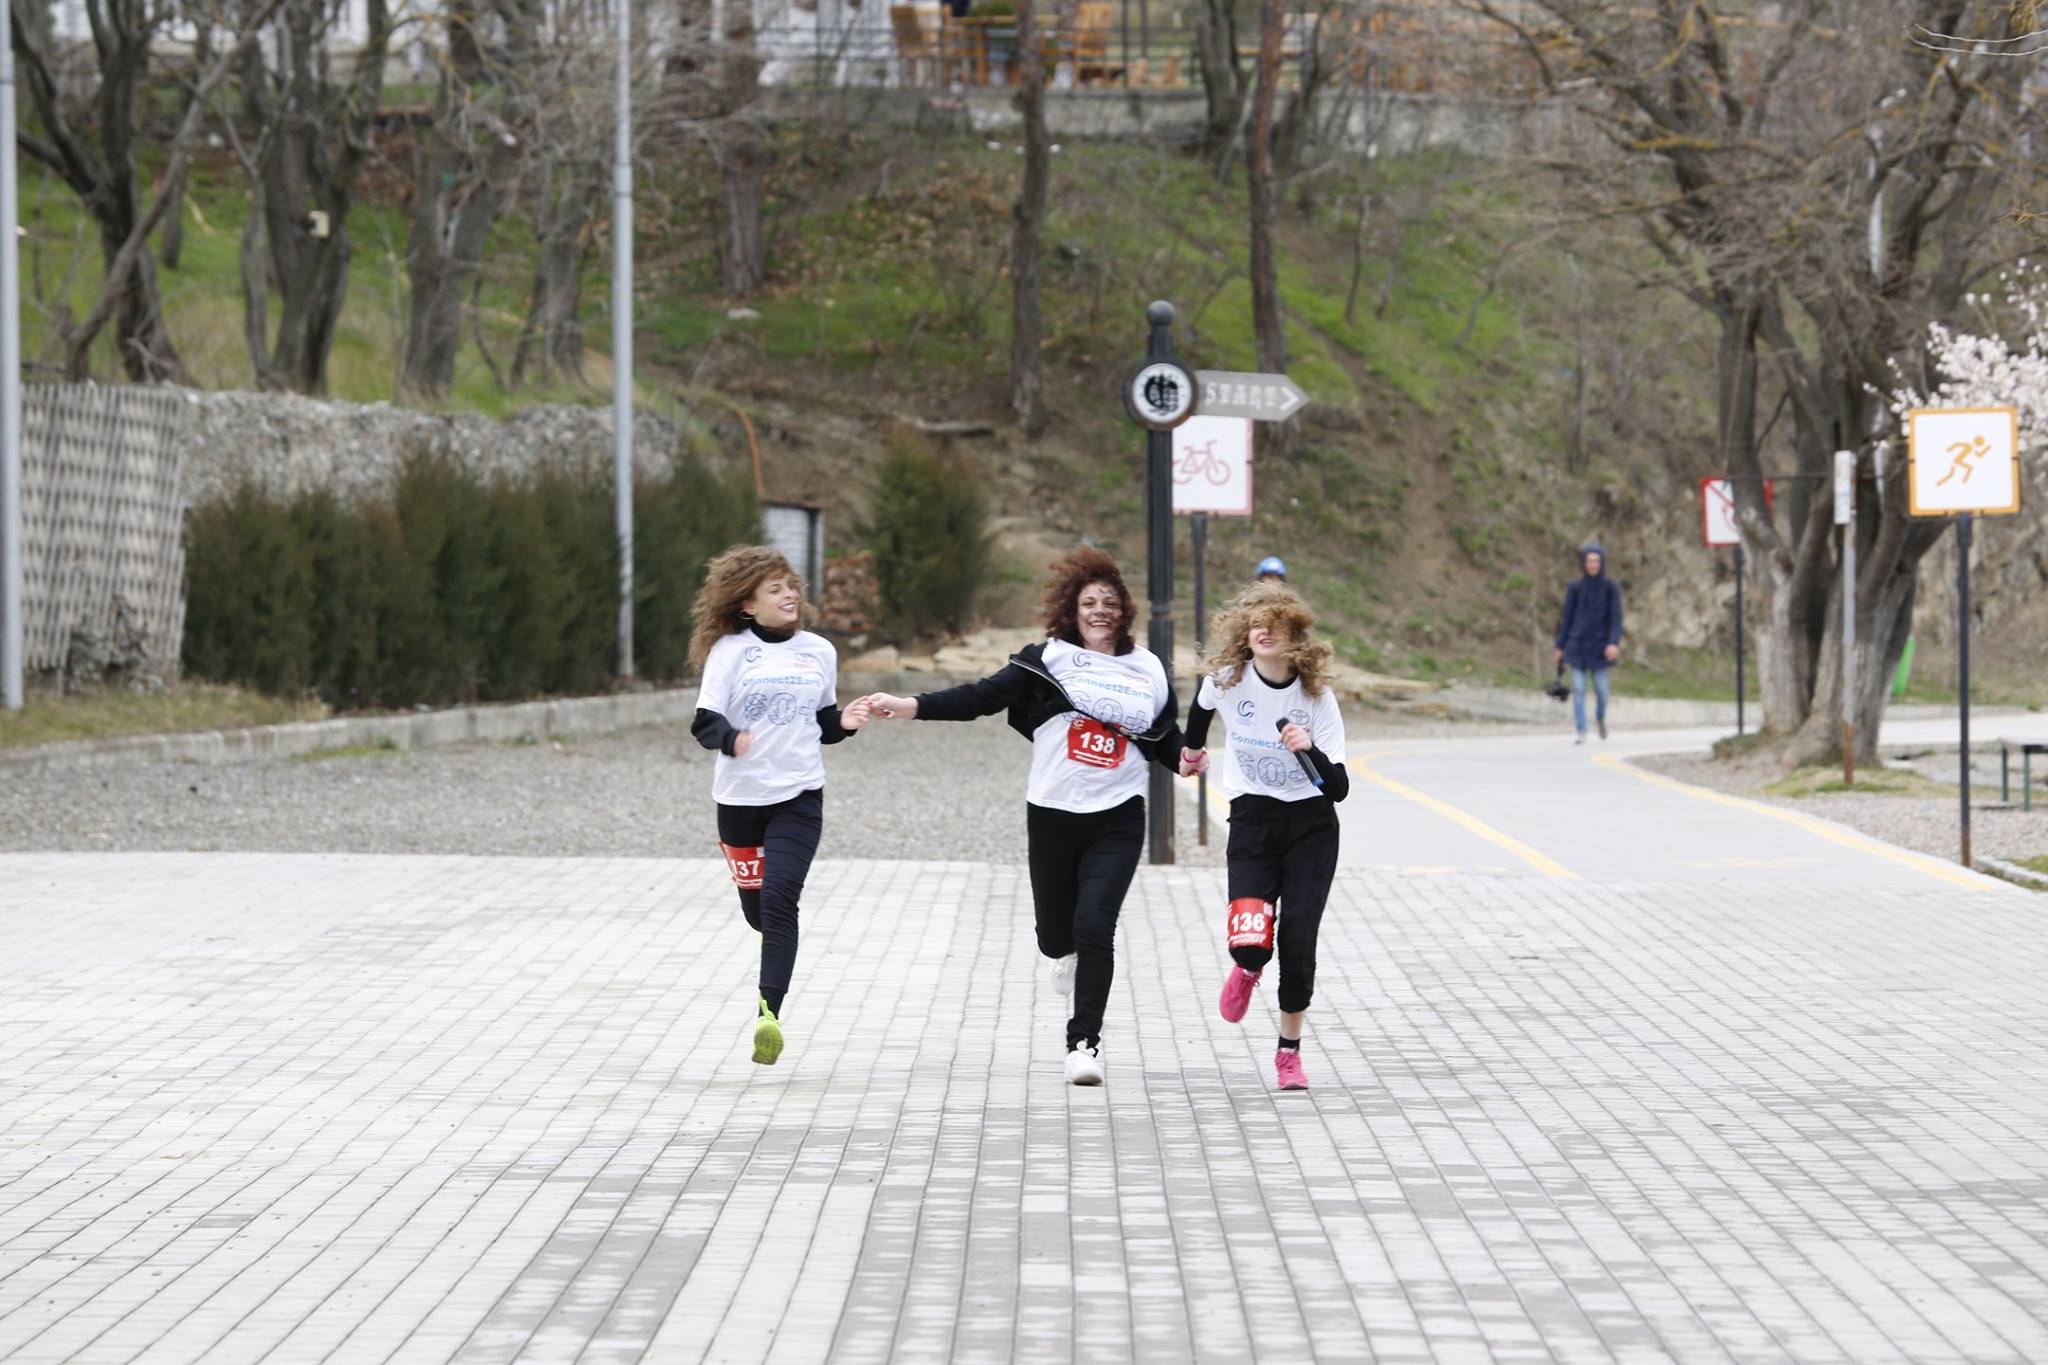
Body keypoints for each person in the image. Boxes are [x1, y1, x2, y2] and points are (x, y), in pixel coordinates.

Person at [860, 549, 1197, 1087]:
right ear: (1072, 610)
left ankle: (1083, 1044)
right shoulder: (1048, 660)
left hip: (1118, 815)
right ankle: (1061, 953)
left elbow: (1165, 739)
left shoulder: (1147, 668)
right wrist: (910, 706)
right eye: (1090, 602)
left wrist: (1186, 759)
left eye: (1110, 603)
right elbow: (980, 697)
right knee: (1054, 936)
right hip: (1053, 812)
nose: (1101, 611)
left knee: (1096, 926)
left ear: (1125, 611)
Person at [690, 546, 870, 1066]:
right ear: (748, 604)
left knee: (779, 899)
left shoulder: (818, 651)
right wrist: (732, 739)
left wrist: (846, 723)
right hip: (740, 800)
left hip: (799, 795)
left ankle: (768, 1015)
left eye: (791, 585)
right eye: (775, 589)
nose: (790, 594)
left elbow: (825, 723)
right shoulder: (730, 651)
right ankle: (772, 965)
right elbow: (704, 722)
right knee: (758, 913)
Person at [1180, 582, 1348, 1092]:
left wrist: (1308, 749)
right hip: (1253, 820)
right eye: (1256, 625)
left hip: (1311, 828)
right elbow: (1200, 709)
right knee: (1251, 941)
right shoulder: (1229, 680)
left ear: (1295, 639)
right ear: (1245, 634)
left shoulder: (1317, 699)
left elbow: (1338, 788)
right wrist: (1191, 753)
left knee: (1297, 942)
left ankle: (1288, 1053)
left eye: (1275, 626)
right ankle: (1248, 969)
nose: (1264, 632)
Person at [1554, 541, 1624, 744]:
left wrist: (1613, 642)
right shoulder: (1575, 588)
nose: (1593, 564)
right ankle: (1581, 729)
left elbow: (1616, 618)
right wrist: (1560, 645)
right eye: (1589, 561)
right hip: (1577, 645)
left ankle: (1600, 717)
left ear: (1602, 563)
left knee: (1602, 692)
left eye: (1596, 561)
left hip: (1601, 647)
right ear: (1584, 563)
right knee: (1578, 688)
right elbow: (1567, 619)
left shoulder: (1610, 588)